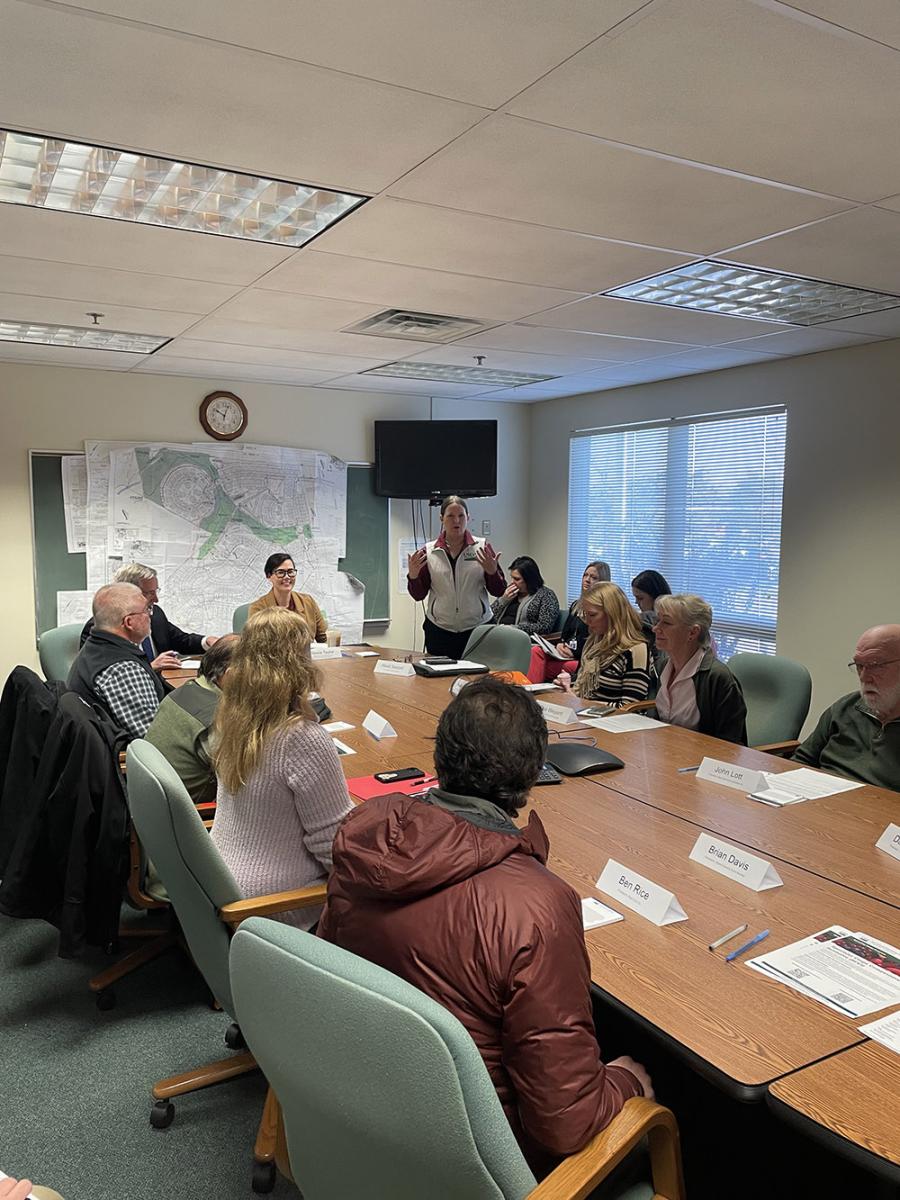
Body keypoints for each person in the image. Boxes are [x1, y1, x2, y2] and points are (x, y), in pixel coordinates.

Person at [318, 677, 650, 1171]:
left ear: (441, 756)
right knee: (651, 1090)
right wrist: (626, 1082)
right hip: (476, 1154)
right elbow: (565, 1123)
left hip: (367, 1101)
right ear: (532, 774)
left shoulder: (365, 834)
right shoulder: (537, 905)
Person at [210, 608, 352, 928]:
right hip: (279, 905)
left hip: (225, 881)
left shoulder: (233, 719)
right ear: (299, 663)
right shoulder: (302, 739)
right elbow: (334, 847)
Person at [793, 624, 900, 790]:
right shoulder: (847, 706)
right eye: (859, 666)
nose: (864, 677)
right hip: (820, 801)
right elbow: (802, 760)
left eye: (875, 665)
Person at [406, 495, 505, 658]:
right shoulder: (429, 551)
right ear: (441, 519)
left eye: (461, 516)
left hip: (478, 629)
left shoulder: (482, 547)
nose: (456, 521)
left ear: (468, 518)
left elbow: (499, 591)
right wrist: (414, 576)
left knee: (478, 680)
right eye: (450, 516)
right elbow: (418, 595)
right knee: (439, 681)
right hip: (440, 630)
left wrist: (492, 572)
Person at [144, 635, 239, 803]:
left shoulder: (182, 691)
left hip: (151, 805)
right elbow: (239, 784)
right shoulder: (217, 719)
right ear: (230, 675)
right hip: (191, 817)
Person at [68, 583, 168, 740]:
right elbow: (155, 738)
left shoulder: (95, 646)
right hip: (122, 759)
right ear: (129, 623)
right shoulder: (123, 670)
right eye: (146, 610)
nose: (150, 615)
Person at [80, 562, 216, 668]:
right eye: (149, 593)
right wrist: (151, 667)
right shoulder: (102, 627)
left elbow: (181, 640)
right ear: (128, 593)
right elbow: (106, 675)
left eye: (156, 591)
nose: (156, 599)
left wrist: (207, 641)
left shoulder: (155, 614)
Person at [653, 594, 747, 744]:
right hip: (666, 752)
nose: (656, 628)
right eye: (658, 621)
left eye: (667, 623)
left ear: (692, 632)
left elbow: (731, 744)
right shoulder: (661, 667)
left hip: (702, 761)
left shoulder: (718, 678)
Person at [557, 582, 653, 708]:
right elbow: (584, 691)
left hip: (614, 722)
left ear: (612, 614)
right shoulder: (593, 642)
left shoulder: (636, 650)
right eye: (585, 615)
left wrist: (583, 704)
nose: (587, 621)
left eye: (592, 615)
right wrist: (568, 687)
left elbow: (630, 707)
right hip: (585, 714)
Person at [527, 560, 609, 683]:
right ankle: (531, 692)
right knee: (536, 651)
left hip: (581, 661)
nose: (587, 580)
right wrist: (560, 645)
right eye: (585, 575)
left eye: (593, 577)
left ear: (602, 582)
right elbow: (565, 635)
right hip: (564, 656)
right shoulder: (576, 605)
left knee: (542, 667)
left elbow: (597, 645)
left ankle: (530, 693)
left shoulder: (602, 612)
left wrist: (574, 653)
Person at [248, 552, 327, 642]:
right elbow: (256, 644)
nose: (287, 577)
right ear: (269, 576)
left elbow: (323, 638)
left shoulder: (308, 601)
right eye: (280, 572)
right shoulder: (258, 608)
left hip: (306, 655)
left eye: (290, 572)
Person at [490, 555, 559, 634]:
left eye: (517, 579)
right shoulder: (509, 591)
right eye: (512, 577)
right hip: (498, 634)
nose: (512, 582)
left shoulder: (546, 595)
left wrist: (513, 628)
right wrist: (503, 600)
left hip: (522, 639)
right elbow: (489, 616)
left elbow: (544, 627)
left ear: (529, 579)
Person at [631, 569, 672, 665]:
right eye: (635, 598)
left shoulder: (646, 620)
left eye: (640, 598)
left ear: (656, 597)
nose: (636, 602)